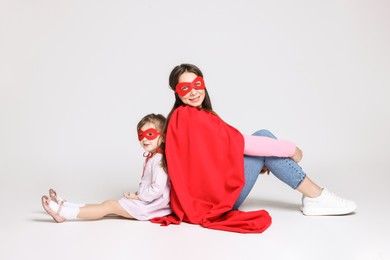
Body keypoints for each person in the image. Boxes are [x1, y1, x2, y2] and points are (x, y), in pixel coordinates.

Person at [152, 63, 356, 233]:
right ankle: (316, 195)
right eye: (185, 88)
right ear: (177, 93)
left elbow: (216, 156)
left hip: (202, 198)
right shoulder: (190, 117)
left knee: (264, 144)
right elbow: (241, 143)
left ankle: (314, 197)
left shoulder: (181, 118)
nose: (194, 91)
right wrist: (291, 149)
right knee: (264, 139)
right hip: (214, 203)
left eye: (197, 84)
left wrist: (259, 159)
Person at [41, 113, 172, 223]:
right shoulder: (153, 157)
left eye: (150, 134)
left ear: (163, 136)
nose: (144, 139)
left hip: (150, 208)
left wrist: (138, 196)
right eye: (141, 135)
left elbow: (157, 189)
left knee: (109, 206)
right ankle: (67, 206)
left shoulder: (158, 160)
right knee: (108, 203)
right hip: (148, 203)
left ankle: (63, 213)